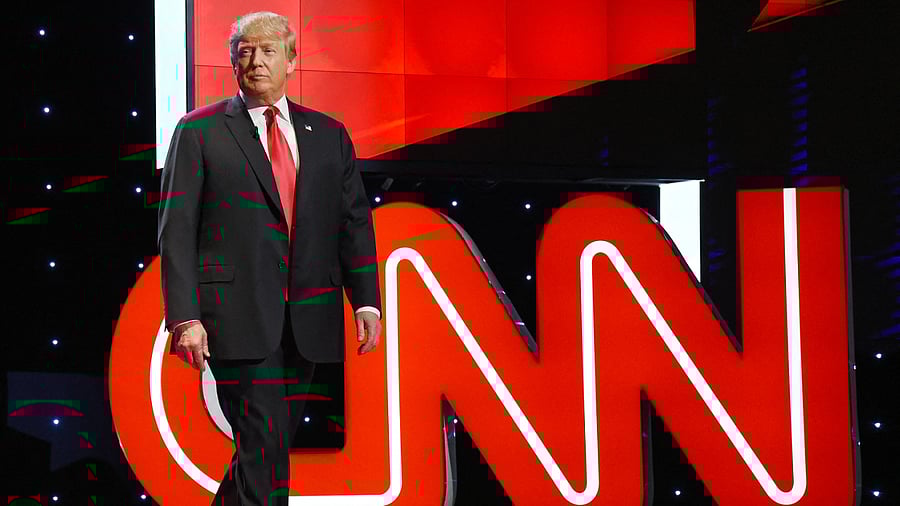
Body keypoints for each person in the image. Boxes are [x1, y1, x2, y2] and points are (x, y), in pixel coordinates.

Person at [157, 11, 382, 505]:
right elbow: (176, 230)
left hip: (309, 317)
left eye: (267, 51)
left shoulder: (328, 134)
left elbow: (353, 223)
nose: (256, 62)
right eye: (245, 53)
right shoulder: (200, 131)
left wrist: (366, 301)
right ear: (233, 62)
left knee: (264, 451)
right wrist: (185, 317)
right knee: (264, 444)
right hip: (233, 317)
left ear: (291, 60)